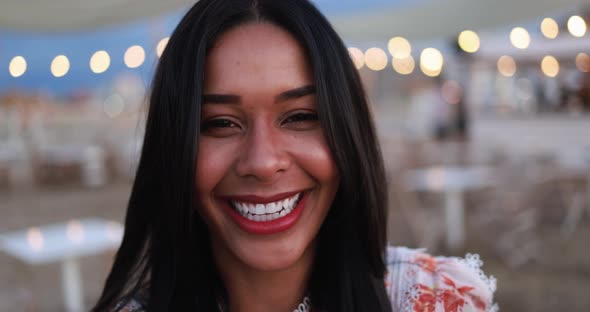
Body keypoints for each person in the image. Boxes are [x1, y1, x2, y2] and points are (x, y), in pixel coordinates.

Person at [92, 0, 497, 311]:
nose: (264, 162)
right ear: (174, 146)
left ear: (347, 130)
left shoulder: (438, 299)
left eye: (301, 116)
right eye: (220, 123)